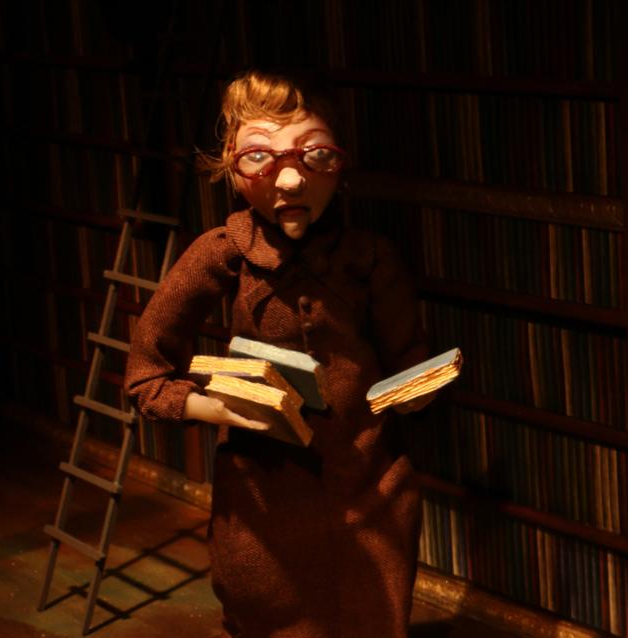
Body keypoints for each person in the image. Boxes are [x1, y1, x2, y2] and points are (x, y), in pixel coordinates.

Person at [125, 70, 431, 637]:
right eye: (260, 157)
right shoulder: (222, 254)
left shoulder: (368, 258)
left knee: (375, 615)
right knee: (267, 612)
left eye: (314, 155)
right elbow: (147, 375)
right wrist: (218, 408)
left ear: (340, 165)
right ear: (230, 165)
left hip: (371, 483)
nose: (289, 179)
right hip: (263, 488)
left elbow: (409, 358)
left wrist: (415, 393)